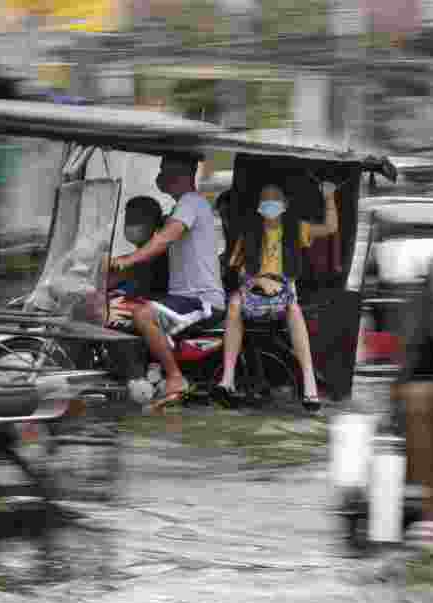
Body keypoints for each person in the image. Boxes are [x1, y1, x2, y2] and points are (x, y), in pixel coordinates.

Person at [213, 180, 338, 412]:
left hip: (285, 290)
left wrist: (329, 197)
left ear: (285, 204)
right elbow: (239, 269)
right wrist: (258, 281)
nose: (270, 204)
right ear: (259, 206)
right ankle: (227, 379)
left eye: (275, 199)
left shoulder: (297, 228)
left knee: (294, 310)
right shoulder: (249, 231)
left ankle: (310, 384)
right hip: (254, 288)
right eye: (265, 200)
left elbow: (330, 228)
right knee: (233, 304)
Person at [110, 155, 225, 409]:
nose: (160, 175)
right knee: (123, 310)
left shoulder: (191, 203)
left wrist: (127, 259)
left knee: (142, 313)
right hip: (181, 299)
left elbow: (163, 239)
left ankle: (176, 378)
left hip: (201, 299)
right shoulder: (181, 207)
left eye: (165, 169)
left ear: (182, 173)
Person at [108, 196, 169, 298]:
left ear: (155, 223)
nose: (131, 225)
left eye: (137, 219)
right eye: (129, 219)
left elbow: (132, 272)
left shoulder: (157, 258)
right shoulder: (135, 258)